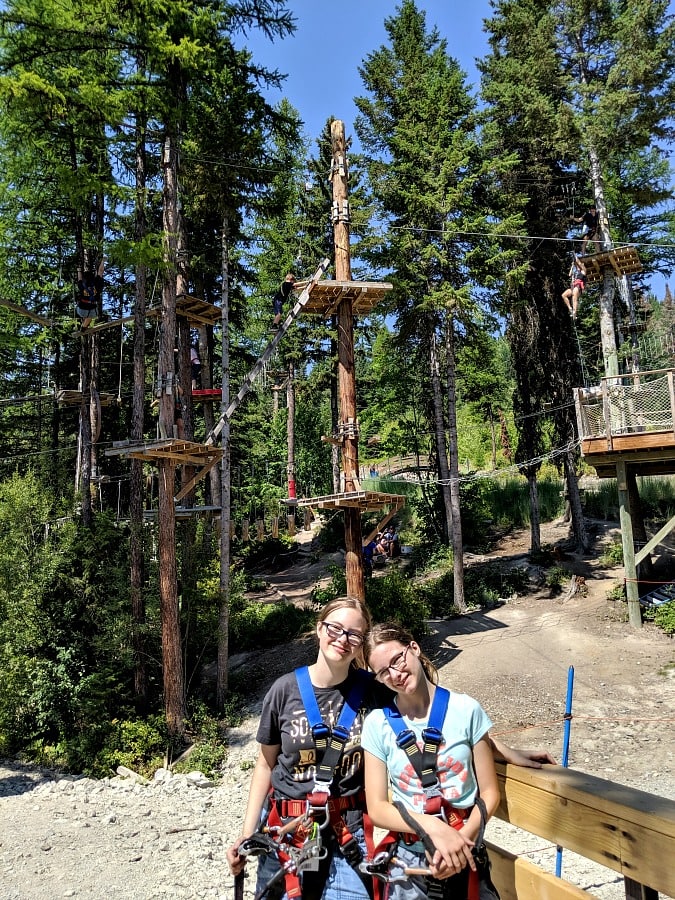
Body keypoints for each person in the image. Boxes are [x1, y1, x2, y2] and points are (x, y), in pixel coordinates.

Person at [227, 604, 554, 899]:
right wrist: (246, 835)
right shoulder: (284, 691)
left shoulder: (373, 687)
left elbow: (446, 718)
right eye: (335, 628)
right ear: (319, 628)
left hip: (345, 832)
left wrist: (506, 752)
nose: (343, 638)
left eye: (354, 634)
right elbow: (265, 766)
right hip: (287, 829)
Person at [361, 622, 501, 899]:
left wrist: (461, 844)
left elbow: (489, 792)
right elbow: (377, 808)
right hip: (412, 863)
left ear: (413, 648)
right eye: (383, 672)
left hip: (467, 851)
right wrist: (435, 828)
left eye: (397, 660)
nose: (395, 674)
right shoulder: (377, 724)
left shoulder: (466, 710)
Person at [75, 259, 105, 329]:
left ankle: (84, 325)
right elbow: (100, 271)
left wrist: (79, 270)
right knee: (90, 316)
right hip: (92, 309)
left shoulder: (82, 285)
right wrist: (103, 261)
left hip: (81, 309)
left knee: (87, 315)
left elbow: (79, 278)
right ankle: (84, 326)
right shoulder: (97, 283)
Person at [562, 254, 586, 319]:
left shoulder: (583, 271)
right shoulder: (575, 271)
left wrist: (574, 256)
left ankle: (575, 311)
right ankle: (570, 308)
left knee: (574, 296)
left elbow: (579, 263)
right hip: (573, 286)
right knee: (564, 295)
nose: (577, 266)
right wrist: (572, 266)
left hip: (579, 286)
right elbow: (569, 274)